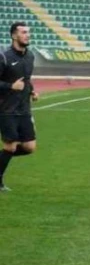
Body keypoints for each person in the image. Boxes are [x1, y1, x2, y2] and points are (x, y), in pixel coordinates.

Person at [0, 22, 38, 192]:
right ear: (14, 36)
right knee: (10, 146)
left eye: (28, 32)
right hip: (6, 109)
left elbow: (26, 79)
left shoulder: (30, 56)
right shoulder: (4, 57)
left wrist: (32, 92)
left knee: (30, 147)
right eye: (23, 32)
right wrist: (10, 87)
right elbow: (11, 83)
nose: (27, 35)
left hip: (24, 109)